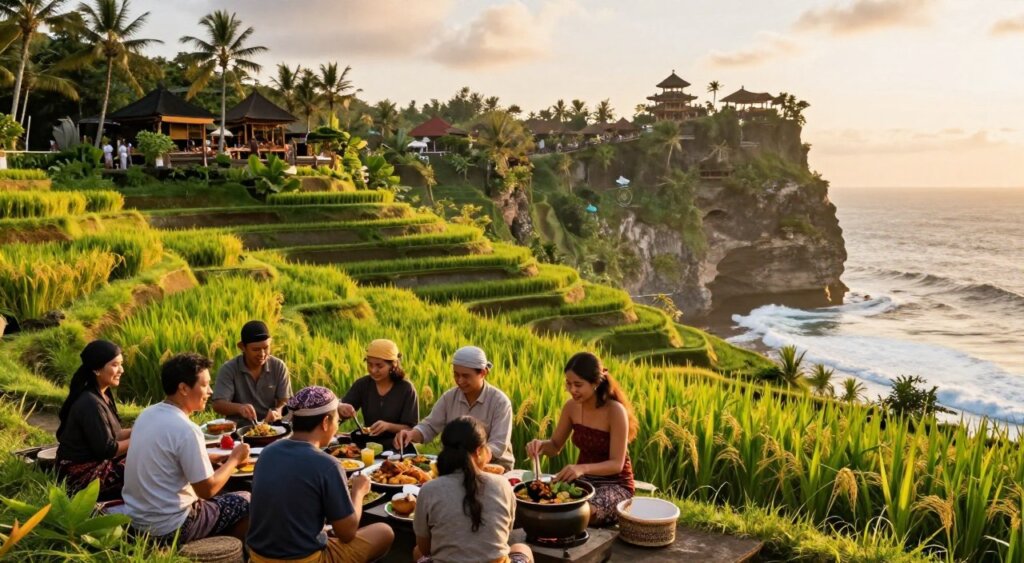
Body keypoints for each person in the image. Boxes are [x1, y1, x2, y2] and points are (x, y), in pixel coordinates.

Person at [247, 386, 394, 562]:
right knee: (384, 532)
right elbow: (347, 533)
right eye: (337, 421)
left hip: (257, 558)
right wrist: (358, 492)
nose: (337, 427)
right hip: (305, 559)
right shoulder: (327, 464)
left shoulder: (268, 452)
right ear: (325, 422)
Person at [119, 353, 252, 543]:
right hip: (170, 527)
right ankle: (230, 552)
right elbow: (207, 491)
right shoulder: (187, 429)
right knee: (246, 499)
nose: (210, 392)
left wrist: (211, 458)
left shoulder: (147, 414)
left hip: (137, 521)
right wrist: (234, 459)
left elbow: (167, 457)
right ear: (183, 388)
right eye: (205, 385)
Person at [525, 352, 637, 526]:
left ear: (596, 383)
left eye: (578, 385)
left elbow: (616, 464)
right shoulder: (571, 407)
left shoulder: (615, 411)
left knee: (581, 514)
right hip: (584, 481)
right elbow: (555, 446)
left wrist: (581, 468)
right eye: (568, 384)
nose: (572, 390)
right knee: (546, 501)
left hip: (616, 485)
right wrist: (539, 445)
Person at [413, 416, 532, 563]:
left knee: (417, 552)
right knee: (521, 548)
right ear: (479, 451)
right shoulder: (503, 485)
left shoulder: (429, 490)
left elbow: (425, 549)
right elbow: (504, 535)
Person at [394, 346, 513, 470]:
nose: (460, 381)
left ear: (483, 373)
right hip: (457, 466)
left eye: (466, 376)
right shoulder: (450, 397)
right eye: (456, 375)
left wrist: (471, 459)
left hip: (493, 467)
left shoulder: (500, 402)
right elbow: (429, 426)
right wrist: (411, 434)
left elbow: (497, 445)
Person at [55, 340, 131, 499]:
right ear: (97, 369)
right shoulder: (90, 403)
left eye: (121, 364)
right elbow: (108, 449)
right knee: (145, 467)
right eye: (115, 365)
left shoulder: (103, 394)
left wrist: (143, 429)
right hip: (79, 475)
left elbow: (115, 434)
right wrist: (143, 437)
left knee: (145, 455)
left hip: (97, 461)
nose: (121, 370)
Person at [339, 339, 418, 449]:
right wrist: (341, 409)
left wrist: (388, 426)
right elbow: (339, 413)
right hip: (367, 447)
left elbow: (411, 429)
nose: (373, 370)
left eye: (379, 366)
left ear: (393, 365)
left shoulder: (406, 389)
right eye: (369, 364)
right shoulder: (362, 385)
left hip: (396, 448)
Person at [212, 320, 291, 426]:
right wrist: (240, 408)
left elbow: (285, 401)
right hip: (239, 430)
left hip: (272, 428)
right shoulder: (229, 369)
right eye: (256, 349)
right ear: (242, 347)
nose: (262, 354)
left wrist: (277, 412)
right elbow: (218, 404)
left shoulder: (278, 366)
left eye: (266, 348)